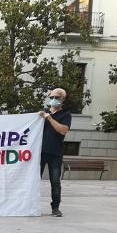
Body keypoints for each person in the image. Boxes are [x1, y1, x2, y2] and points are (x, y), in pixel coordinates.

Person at [39, 88, 72, 217]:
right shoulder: (43, 114)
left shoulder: (66, 115)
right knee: (35, 179)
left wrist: (50, 119)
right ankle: (31, 204)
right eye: (52, 97)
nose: (54, 100)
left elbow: (63, 130)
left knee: (55, 181)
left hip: (55, 154)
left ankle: (55, 208)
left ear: (63, 99)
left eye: (57, 97)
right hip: (40, 153)